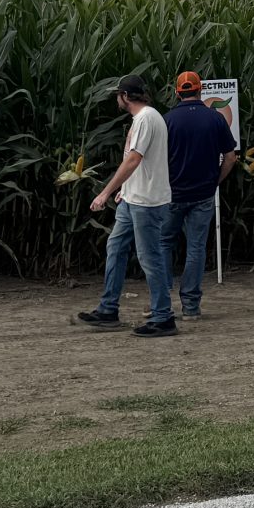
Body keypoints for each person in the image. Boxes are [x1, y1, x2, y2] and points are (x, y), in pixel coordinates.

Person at [75, 75, 177, 336]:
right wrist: (125, 189)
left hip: (147, 202)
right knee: (116, 247)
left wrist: (105, 192)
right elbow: (142, 164)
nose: (116, 99)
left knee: (149, 257)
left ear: (126, 96)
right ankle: (108, 309)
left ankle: (164, 317)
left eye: (118, 95)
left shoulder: (145, 119)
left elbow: (134, 159)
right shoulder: (146, 118)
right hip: (134, 198)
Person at [163, 72, 238, 323]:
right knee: (196, 248)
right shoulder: (215, 119)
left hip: (172, 194)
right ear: (200, 90)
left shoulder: (168, 120)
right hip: (203, 194)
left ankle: (161, 301)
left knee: (163, 244)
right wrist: (215, 181)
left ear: (177, 92)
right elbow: (230, 157)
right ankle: (191, 307)